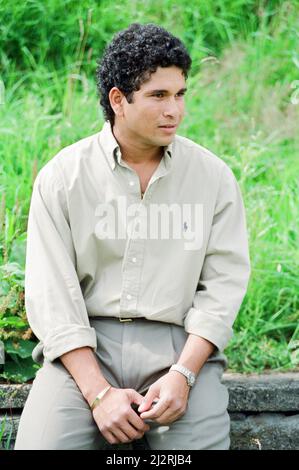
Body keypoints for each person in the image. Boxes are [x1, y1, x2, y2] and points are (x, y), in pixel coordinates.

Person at [14, 22, 251, 450]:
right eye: (158, 96)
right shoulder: (63, 178)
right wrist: (99, 394)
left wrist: (184, 373)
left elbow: (223, 286)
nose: (174, 110)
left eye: (180, 94)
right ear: (118, 100)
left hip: (180, 345)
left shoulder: (212, 178)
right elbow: (52, 295)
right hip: (84, 350)